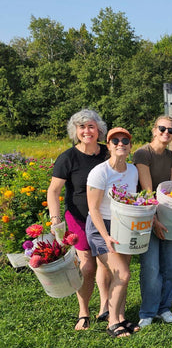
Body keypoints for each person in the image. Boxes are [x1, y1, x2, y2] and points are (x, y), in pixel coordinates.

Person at [46, 109, 110, 330]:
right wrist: (55, 219)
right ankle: (84, 312)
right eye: (82, 127)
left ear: (99, 129)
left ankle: (105, 308)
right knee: (88, 265)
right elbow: (54, 191)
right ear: (75, 131)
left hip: (103, 218)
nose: (86, 131)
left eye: (91, 126)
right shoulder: (68, 157)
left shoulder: (107, 153)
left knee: (105, 262)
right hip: (78, 219)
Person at [86, 127, 139, 338]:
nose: (120, 144)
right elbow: (94, 209)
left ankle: (121, 315)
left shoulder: (133, 171)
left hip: (123, 225)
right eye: (115, 141)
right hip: (101, 229)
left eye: (125, 141)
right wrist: (106, 236)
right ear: (108, 146)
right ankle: (112, 321)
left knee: (123, 271)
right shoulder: (100, 172)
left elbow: (132, 201)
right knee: (122, 274)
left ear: (130, 146)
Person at [133, 116, 172, 328]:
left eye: (171, 130)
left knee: (171, 268)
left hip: (167, 217)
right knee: (151, 267)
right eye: (162, 128)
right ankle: (148, 311)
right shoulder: (143, 153)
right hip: (148, 216)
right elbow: (147, 192)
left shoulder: (171, 156)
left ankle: (164, 307)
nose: (166, 133)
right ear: (154, 130)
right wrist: (155, 220)